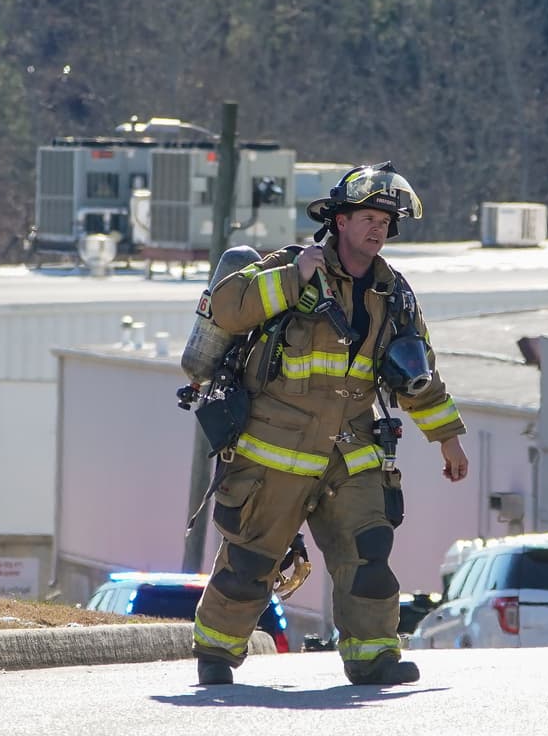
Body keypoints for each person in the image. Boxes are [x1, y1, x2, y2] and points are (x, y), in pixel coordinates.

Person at [191, 161, 469, 686]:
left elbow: (417, 371)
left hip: (351, 450)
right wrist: (292, 279)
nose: (378, 227)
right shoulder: (292, 265)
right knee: (251, 560)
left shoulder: (396, 296)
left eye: (386, 220)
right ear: (340, 220)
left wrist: (447, 438)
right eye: (368, 216)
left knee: (368, 553)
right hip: (274, 449)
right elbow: (227, 309)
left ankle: (373, 657)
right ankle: (216, 654)